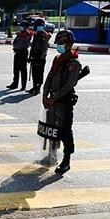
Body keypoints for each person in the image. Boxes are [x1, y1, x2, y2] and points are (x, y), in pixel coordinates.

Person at [43, 30, 82, 174]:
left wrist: (54, 98)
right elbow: (50, 77)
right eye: (58, 43)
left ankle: (66, 160)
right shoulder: (57, 59)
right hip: (52, 100)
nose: (59, 46)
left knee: (65, 131)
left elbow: (69, 85)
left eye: (62, 43)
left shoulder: (74, 63)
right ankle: (51, 155)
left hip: (64, 101)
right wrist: (45, 95)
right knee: (51, 129)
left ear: (69, 44)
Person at [27, 19, 51, 95]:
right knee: (34, 72)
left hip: (40, 57)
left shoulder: (45, 35)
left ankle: (38, 87)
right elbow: (33, 46)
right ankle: (34, 86)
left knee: (39, 72)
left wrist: (41, 58)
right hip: (34, 56)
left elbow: (45, 48)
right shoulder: (36, 34)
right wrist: (30, 56)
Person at [7, 23, 31, 91]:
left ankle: (23, 86)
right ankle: (15, 84)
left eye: (22, 26)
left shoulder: (28, 35)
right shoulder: (19, 34)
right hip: (17, 52)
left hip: (23, 53)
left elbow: (25, 44)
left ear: (25, 27)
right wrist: (15, 47)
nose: (20, 27)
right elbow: (14, 42)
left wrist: (17, 47)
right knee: (16, 69)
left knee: (23, 70)